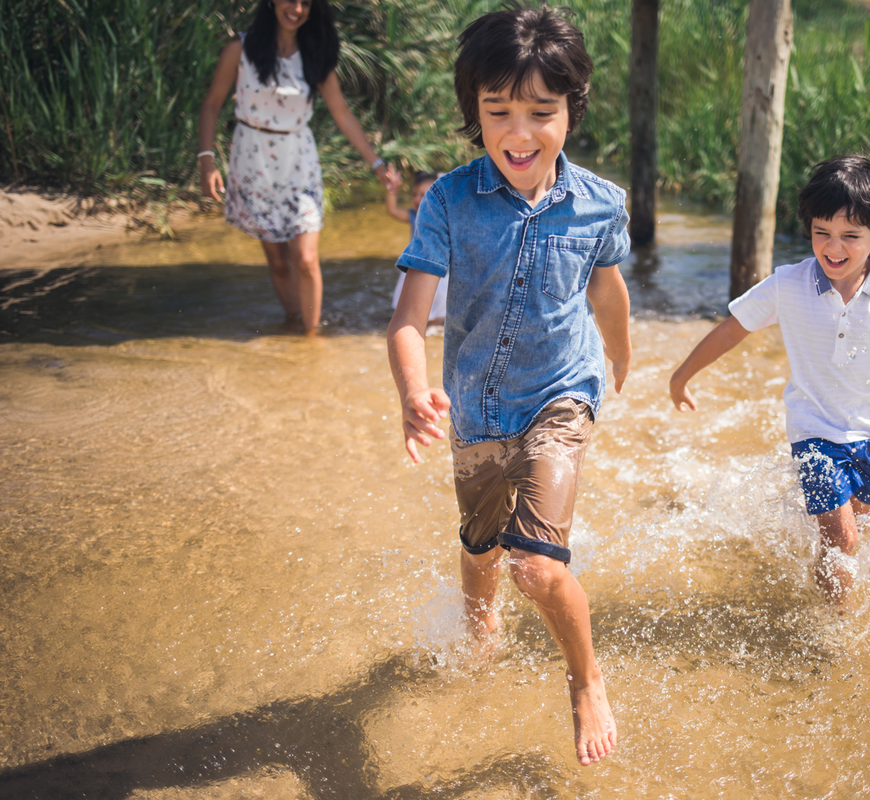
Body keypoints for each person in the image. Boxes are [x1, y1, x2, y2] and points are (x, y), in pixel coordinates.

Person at [386, 3, 630, 766]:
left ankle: (586, 679)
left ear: (571, 109)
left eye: (540, 113)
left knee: (536, 563)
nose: (518, 134)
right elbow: (407, 317)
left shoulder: (600, 203)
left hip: (561, 394)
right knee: (481, 542)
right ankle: (479, 627)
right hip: (477, 404)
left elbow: (609, 289)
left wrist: (620, 358)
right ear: (475, 112)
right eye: (498, 111)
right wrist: (412, 391)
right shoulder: (449, 202)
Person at [670, 155, 870, 607]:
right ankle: (836, 629)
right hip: (812, 431)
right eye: (821, 233)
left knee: (854, 537)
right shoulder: (789, 283)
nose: (833, 248)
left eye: (851, 236)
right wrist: (682, 375)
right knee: (844, 538)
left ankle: (818, 598)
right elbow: (734, 327)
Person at [197, 0, 392, 335]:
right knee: (277, 261)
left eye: (305, 3)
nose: (297, 8)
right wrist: (206, 161)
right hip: (252, 160)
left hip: (298, 161)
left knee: (305, 258)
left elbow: (341, 112)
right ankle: (294, 323)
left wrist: (375, 162)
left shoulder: (315, 53)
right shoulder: (240, 48)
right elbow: (212, 104)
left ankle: (311, 340)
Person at [385, 170, 449, 324]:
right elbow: (393, 210)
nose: (417, 198)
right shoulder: (415, 216)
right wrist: (392, 189)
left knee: (440, 308)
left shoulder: (447, 217)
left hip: (441, 271)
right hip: (416, 267)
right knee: (410, 307)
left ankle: (435, 329)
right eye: (415, 194)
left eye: (423, 194)